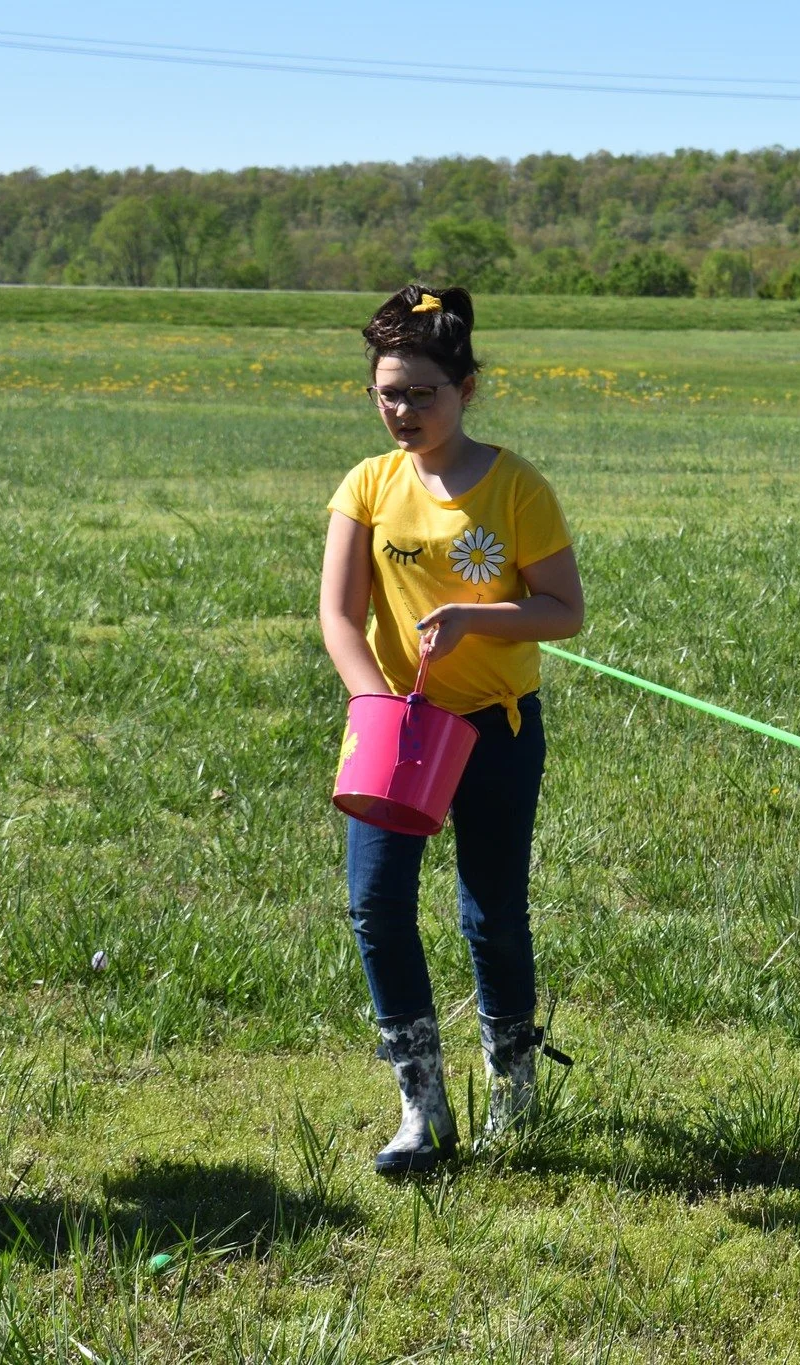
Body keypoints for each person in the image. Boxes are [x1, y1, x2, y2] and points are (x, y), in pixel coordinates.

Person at [319, 284, 585, 1176]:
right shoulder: (366, 486)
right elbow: (338, 618)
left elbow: (563, 611)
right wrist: (377, 707)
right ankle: (421, 1108)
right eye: (387, 393)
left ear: (466, 389)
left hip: (495, 731)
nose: (402, 410)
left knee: (491, 914)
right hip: (397, 730)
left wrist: (480, 620)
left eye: (421, 394)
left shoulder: (516, 487)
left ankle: (513, 1097)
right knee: (376, 904)